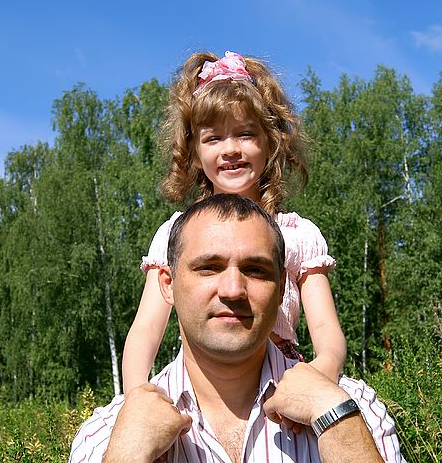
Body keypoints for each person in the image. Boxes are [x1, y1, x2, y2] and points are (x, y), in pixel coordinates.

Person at [54, 194, 433, 463]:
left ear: (283, 284)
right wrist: (127, 462)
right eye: (208, 268)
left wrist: (336, 420)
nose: (233, 289)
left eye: (255, 270)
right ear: (167, 284)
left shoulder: (352, 408)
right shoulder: (105, 437)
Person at [121, 50, 347, 392]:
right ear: (194, 152)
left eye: (245, 134)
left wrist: (318, 380)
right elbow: (145, 330)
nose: (230, 149)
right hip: (203, 387)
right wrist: (136, 395)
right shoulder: (173, 235)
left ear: (270, 144)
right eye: (213, 138)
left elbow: (328, 334)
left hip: (282, 386)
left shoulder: (297, 236)